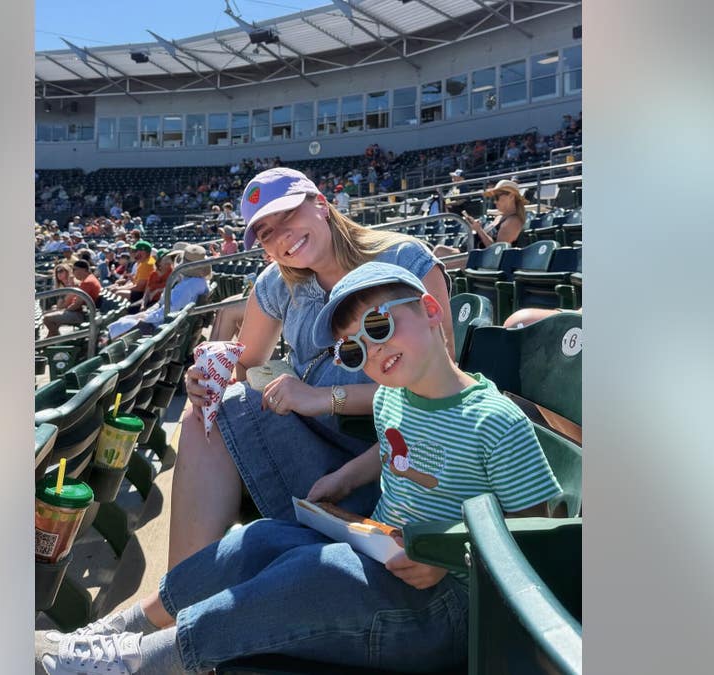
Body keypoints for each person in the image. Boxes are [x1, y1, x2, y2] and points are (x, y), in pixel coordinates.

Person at [37, 262, 560, 675]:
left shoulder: (494, 421)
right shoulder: (393, 401)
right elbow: (394, 448)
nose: (372, 350)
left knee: (311, 573)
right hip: (384, 558)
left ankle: (142, 662)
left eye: (379, 325)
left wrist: (452, 557)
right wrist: (344, 479)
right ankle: (114, 629)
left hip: (449, 608)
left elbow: (534, 531)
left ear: (429, 308)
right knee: (261, 539)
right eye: (354, 350)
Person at [167, 166, 455, 571]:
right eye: (266, 232)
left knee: (223, 413)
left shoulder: (404, 259)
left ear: (321, 204)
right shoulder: (276, 281)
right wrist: (206, 378)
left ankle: (183, 596)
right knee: (204, 412)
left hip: (386, 448)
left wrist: (323, 398)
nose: (281, 235)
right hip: (313, 437)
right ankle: (183, 589)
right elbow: (246, 363)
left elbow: (441, 389)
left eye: (287, 215)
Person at [100, 245, 213, 340]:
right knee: (124, 321)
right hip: (173, 326)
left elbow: (168, 310)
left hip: (165, 329)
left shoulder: (188, 285)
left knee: (122, 324)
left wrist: (145, 317)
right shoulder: (198, 282)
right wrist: (146, 314)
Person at [41, 259, 103, 338]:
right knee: (52, 319)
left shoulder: (88, 282)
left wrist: (65, 310)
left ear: (83, 269)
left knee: (47, 318)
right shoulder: (89, 279)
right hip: (83, 312)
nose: (73, 272)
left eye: (74, 269)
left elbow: (77, 304)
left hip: (82, 314)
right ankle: (50, 341)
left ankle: (57, 340)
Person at [463, 179, 529, 248]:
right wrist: (476, 227)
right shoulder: (499, 217)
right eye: (494, 198)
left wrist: (479, 230)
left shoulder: (513, 221)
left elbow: (497, 251)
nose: (495, 202)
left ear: (511, 196)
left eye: (497, 197)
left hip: (479, 256)